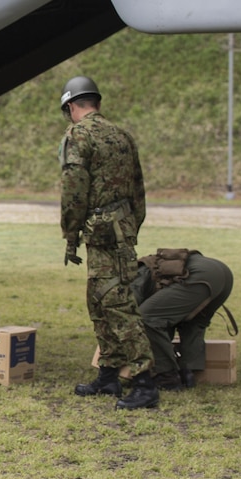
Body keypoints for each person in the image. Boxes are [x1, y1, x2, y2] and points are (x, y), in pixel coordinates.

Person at [59, 75, 160, 410]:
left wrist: (70, 232)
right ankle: (109, 374)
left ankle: (144, 382)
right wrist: (131, 226)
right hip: (120, 230)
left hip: (100, 231)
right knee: (99, 302)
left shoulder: (78, 135)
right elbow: (139, 188)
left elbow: (74, 188)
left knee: (118, 306)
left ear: (72, 107)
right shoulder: (122, 136)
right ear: (97, 103)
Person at [131, 249, 235, 390]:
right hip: (221, 272)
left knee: (147, 318)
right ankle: (188, 373)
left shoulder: (130, 280)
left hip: (200, 275)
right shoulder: (143, 268)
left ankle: (166, 377)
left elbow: (132, 314)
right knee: (192, 323)